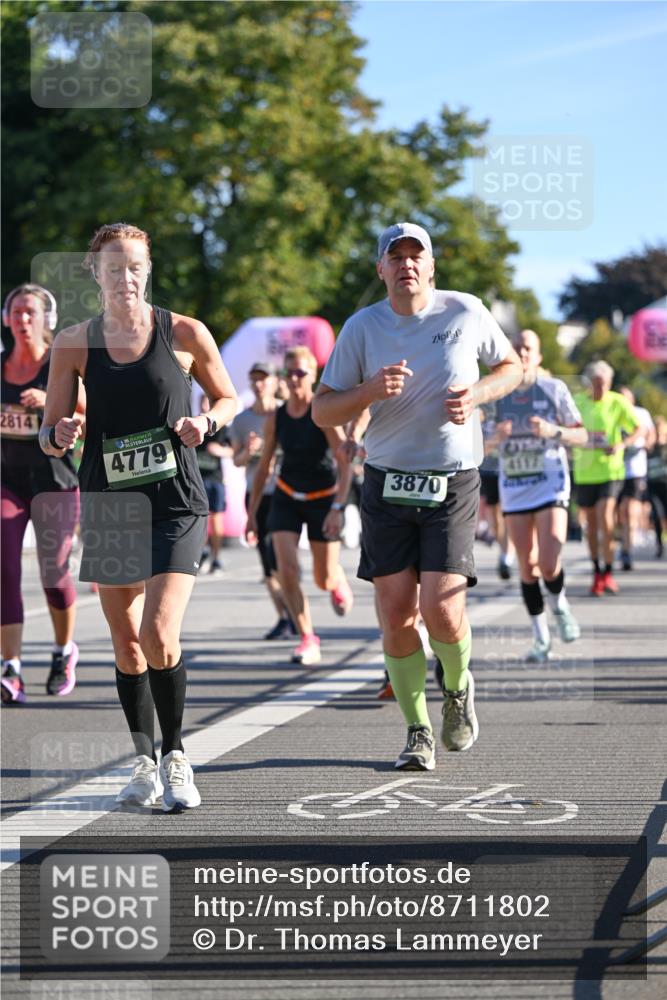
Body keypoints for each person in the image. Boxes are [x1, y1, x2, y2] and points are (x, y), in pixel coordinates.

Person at [40, 222, 237, 811]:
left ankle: (177, 757)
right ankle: (143, 761)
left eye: (135, 267)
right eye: (113, 267)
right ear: (93, 274)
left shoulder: (185, 332)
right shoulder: (74, 343)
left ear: (147, 271)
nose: (124, 277)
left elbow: (228, 398)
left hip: (176, 502)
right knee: (126, 647)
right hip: (112, 505)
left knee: (158, 632)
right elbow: (50, 435)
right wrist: (61, 433)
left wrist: (207, 423)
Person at [312, 221, 522, 771]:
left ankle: (456, 686)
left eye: (416, 256)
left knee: (442, 608)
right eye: (395, 256)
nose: (406, 264)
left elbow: (512, 367)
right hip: (385, 479)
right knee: (397, 613)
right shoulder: (362, 327)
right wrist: (368, 391)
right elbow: (323, 409)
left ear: (431, 266)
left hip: (451, 478)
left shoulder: (465, 311)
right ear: (380, 269)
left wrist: (476, 395)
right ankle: (417, 730)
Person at [246, 346, 354, 666]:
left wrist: (338, 506)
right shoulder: (276, 417)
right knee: (286, 568)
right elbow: (264, 466)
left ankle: (335, 578)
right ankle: (308, 637)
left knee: (322, 579)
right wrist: (252, 515)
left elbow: (344, 462)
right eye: (288, 373)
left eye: (300, 373)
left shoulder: (323, 413)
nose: (294, 379)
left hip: (323, 500)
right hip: (287, 496)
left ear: (313, 375)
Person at [1, 283, 83, 704]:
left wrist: (50, 399)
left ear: (46, 320)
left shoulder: (58, 362)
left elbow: (89, 402)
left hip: (54, 481)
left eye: (30, 312)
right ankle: (10, 667)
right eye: (16, 312)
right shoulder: (0, 365)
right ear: (6, 318)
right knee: (5, 570)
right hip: (8, 481)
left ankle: (63, 650)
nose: (23, 320)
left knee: (53, 570)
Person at [493, 330, 587, 662]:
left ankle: (560, 606)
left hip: (550, 483)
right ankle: (540, 637)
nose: (522, 352)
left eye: (528, 347)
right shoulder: (497, 392)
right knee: (527, 567)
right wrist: (494, 437)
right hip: (515, 488)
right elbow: (480, 444)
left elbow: (582, 434)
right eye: (516, 347)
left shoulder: (553, 389)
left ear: (538, 355)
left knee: (549, 562)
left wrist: (553, 431)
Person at [230, 361, 294, 639]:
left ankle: (294, 612)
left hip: (286, 491)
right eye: (254, 379)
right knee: (267, 561)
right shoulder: (243, 420)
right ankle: (284, 616)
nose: (258, 384)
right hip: (256, 494)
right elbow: (237, 460)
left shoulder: (287, 414)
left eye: (263, 378)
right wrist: (248, 450)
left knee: (282, 559)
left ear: (273, 382)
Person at [572, 361, 641, 596]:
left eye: (604, 384)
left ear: (610, 383)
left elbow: (639, 429)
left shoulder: (618, 402)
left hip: (611, 471)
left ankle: (608, 572)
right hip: (585, 472)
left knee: (605, 518)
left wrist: (622, 444)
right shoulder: (579, 403)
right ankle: (597, 571)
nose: (600, 389)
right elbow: (569, 429)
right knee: (591, 526)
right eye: (596, 384)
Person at [616, 386, 656, 570]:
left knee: (631, 512)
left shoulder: (641, 413)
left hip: (635, 470)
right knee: (619, 515)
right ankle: (619, 544)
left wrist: (646, 445)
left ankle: (626, 551)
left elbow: (650, 433)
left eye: (627, 398)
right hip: (613, 471)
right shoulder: (613, 412)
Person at [195, 393, 232, 575]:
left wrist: (221, 451)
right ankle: (201, 553)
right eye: (202, 401)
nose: (204, 405)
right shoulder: (192, 424)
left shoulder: (221, 427)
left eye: (207, 402)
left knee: (216, 520)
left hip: (215, 479)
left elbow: (234, 450)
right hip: (197, 479)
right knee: (199, 521)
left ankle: (216, 557)